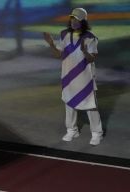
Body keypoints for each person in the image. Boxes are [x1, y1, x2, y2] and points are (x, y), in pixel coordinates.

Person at [43, 8, 103, 146]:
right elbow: (59, 55)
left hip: (85, 77)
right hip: (68, 76)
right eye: (72, 18)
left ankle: (96, 133)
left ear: (83, 21)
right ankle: (72, 130)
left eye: (77, 19)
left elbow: (92, 59)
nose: (74, 21)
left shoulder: (90, 37)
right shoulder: (64, 34)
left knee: (90, 106)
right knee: (69, 104)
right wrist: (51, 44)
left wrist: (84, 51)